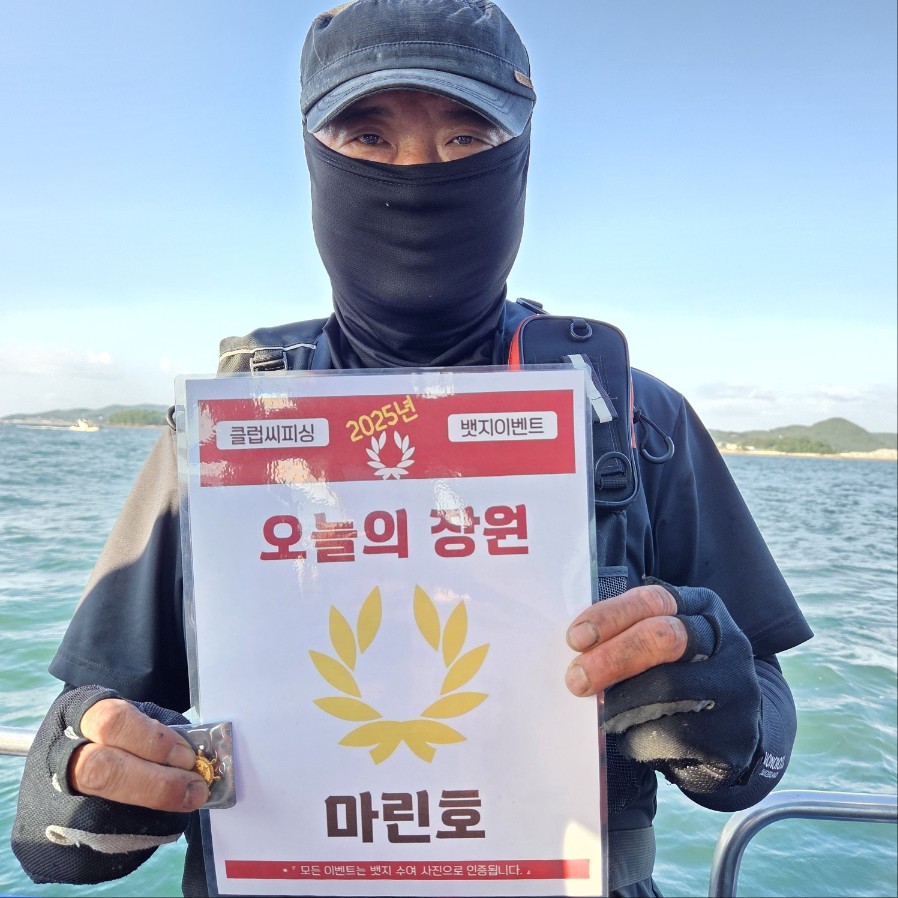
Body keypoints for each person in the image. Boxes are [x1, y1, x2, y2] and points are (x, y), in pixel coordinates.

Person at [12, 1, 813, 896]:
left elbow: (760, 745)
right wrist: (79, 777)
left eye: (467, 137)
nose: (417, 170)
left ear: (520, 159)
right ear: (315, 159)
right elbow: (68, 791)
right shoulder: (224, 435)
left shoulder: (630, 415)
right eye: (368, 136)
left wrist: (719, 707)